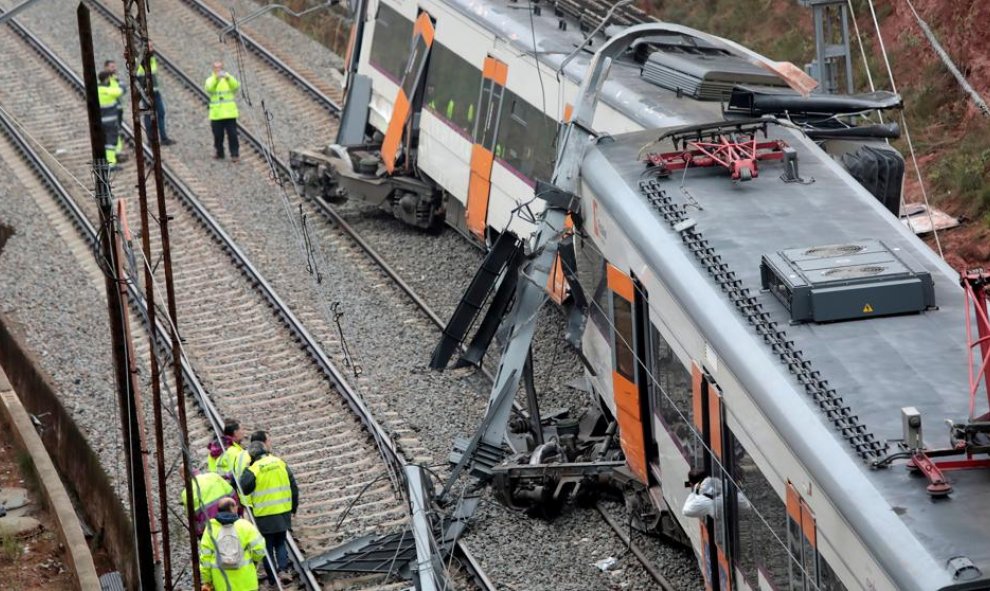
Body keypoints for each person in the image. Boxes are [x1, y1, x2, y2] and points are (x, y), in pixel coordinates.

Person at [239, 431, 298, 587]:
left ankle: (273, 578)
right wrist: (294, 507)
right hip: (283, 511)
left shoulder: (254, 468)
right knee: (280, 542)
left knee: (267, 546)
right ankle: (283, 570)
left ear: (252, 456)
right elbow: (293, 486)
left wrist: (247, 468)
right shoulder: (280, 462)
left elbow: (243, 488)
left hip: (264, 515)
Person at [199, 496, 266, 591]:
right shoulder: (245, 525)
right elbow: (260, 550)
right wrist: (254, 561)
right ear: (232, 508)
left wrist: (207, 580)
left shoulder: (210, 528)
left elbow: (205, 558)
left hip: (221, 584)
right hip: (247, 583)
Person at [135, 42, 175, 146]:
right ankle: (151, 140)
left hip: (155, 91)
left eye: (152, 46)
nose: (152, 48)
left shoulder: (151, 58)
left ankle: (163, 138)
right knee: (149, 115)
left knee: (161, 113)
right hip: (147, 93)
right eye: (150, 47)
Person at [180, 464, 235, 537]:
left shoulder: (186, 493)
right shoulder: (214, 476)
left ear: (183, 476)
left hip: (210, 530)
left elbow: (192, 519)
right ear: (196, 469)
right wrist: (239, 514)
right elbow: (233, 495)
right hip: (229, 520)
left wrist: (200, 534)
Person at [204, 62, 240, 161]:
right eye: (216, 68)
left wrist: (228, 78)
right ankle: (219, 153)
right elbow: (209, 88)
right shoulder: (210, 80)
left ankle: (234, 154)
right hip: (217, 114)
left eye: (220, 68)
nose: (218, 70)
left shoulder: (229, 79)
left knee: (233, 135)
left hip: (229, 113)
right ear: (213, 70)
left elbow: (236, 86)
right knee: (218, 136)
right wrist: (216, 79)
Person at [208, 419, 251, 486]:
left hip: (217, 483)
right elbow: (240, 472)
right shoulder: (233, 451)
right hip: (230, 486)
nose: (244, 432)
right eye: (242, 429)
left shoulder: (216, 448)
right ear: (235, 433)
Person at [97, 71, 123, 171]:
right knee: (111, 142)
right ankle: (111, 164)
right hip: (110, 121)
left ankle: (106, 161)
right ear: (107, 79)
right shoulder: (107, 90)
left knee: (104, 142)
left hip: (100, 121)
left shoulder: (97, 89)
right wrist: (116, 81)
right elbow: (120, 91)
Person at [103, 60, 128, 161]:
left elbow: (123, 88)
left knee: (118, 131)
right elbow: (119, 91)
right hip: (108, 112)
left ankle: (117, 152)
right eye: (112, 67)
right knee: (113, 132)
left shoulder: (116, 79)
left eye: (114, 67)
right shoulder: (104, 80)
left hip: (118, 109)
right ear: (106, 68)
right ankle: (114, 154)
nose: (114, 69)